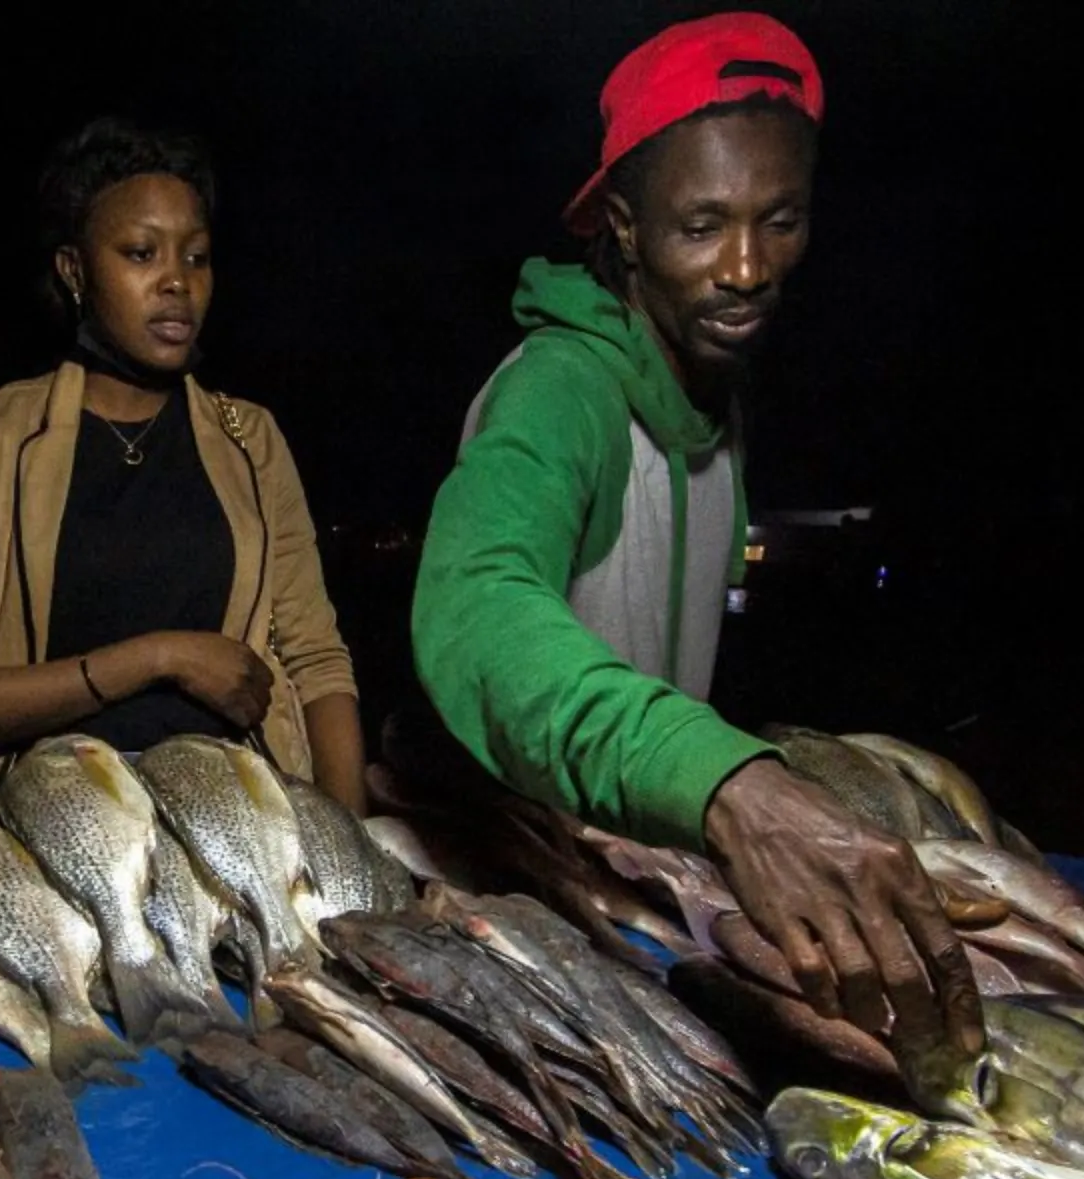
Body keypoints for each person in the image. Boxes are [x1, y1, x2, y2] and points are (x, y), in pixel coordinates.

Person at [412, 13, 983, 1055]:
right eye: (701, 226)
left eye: (782, 219)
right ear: (624, 229)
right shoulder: (560, 391)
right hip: (540, 911)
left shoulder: (716, 391)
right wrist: (729, 787)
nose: (748, 267)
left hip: (663, 890)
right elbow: (477, 608)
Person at [0, 117, 364, 811]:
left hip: (238, 815)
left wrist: (351, 850)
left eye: (196, 257)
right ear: (75, 271)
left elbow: (319, 664)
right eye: (141, 253)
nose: (176, 281)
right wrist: (159, 657)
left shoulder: (250, 438)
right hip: (53, 822)